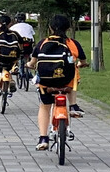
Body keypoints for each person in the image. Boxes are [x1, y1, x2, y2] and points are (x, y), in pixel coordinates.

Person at [25, 14, 88, 151]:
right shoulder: (73, 44)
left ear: (50, 27)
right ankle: (73, 106)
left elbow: (33, 62)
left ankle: (43, 138)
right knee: (74, 73)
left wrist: (29, 65)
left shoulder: (42, 43)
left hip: (47, 84)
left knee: (44, 106)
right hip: (66, 84)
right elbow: (83, 61)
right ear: (68, 28)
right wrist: (82, 64)